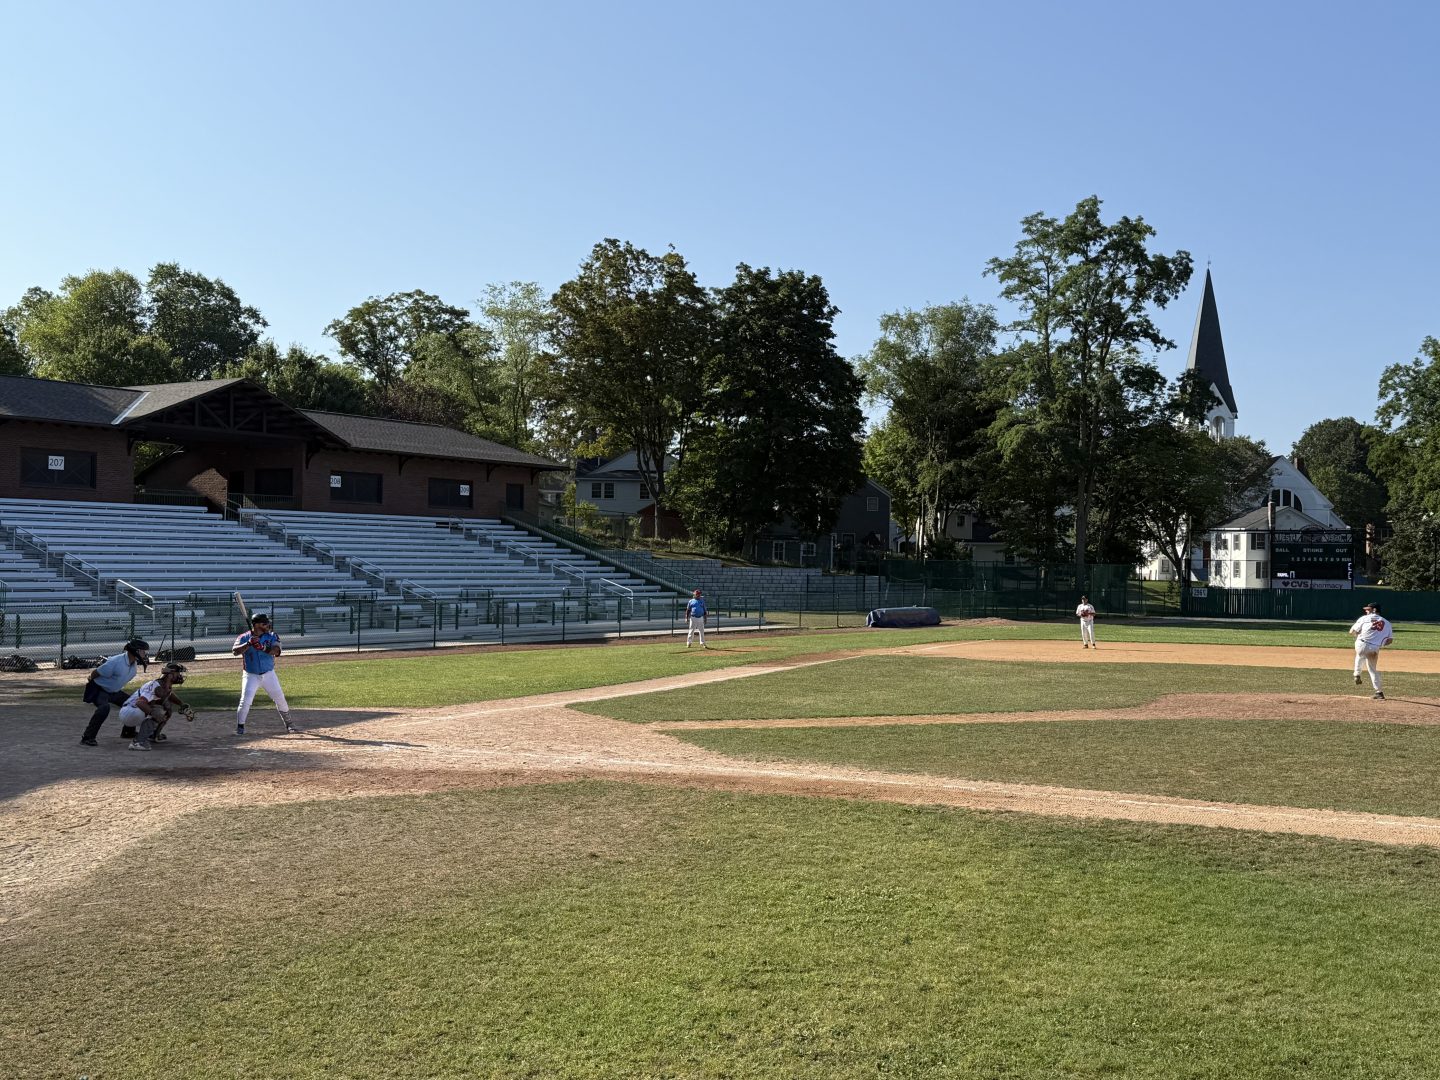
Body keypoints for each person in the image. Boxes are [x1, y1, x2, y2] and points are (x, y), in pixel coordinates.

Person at [233, 613, 299, 735]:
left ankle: (289, 724)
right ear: (256, 625)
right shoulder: (243, 637)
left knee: (280, 699)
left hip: (269, 674)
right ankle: (240, 727)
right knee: (245, 700)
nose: (268, 625)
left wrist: (263, 648)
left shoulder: (272, 636)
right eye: (264, 623)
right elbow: (235, 651)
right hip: (251, 675)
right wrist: (248, 643)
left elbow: (276, 650)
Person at [79, 638, 150, 746]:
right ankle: (87, 737)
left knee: (134, 703)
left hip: (114, 692)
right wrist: (90, 681)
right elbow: (95, 673)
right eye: (143, 651)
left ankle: (128, 732)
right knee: (104, 708)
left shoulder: (133, 664)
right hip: (100, 690)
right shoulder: (116, 662)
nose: (145, 654)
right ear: (136, 651)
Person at [118, 663, 193, 751]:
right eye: (178, 673)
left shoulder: (164, 685)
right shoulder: (155, 686)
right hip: (129, 711)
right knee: (159, 711)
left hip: (134, 711)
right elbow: (139, 702)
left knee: (167, 708)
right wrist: (154, 714)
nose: (180, 676)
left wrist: (181, 704)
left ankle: (153, 735)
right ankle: (138, 742)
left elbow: (169, 695)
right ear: (170, 676)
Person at [1348, 601, 1393, 700]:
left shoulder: (1364, 618)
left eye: (1368, 610)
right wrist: (1379, 643)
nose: (1366, 612)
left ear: (1374, 610)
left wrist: (1358, 635)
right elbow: (1389, 641)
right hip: (1375, 648)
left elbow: (1351, 631)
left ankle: (1357, 674)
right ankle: (1379, 692)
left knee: (1360, 655)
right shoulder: (1387, 623)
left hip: (1362, 644)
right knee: (1372, 669)